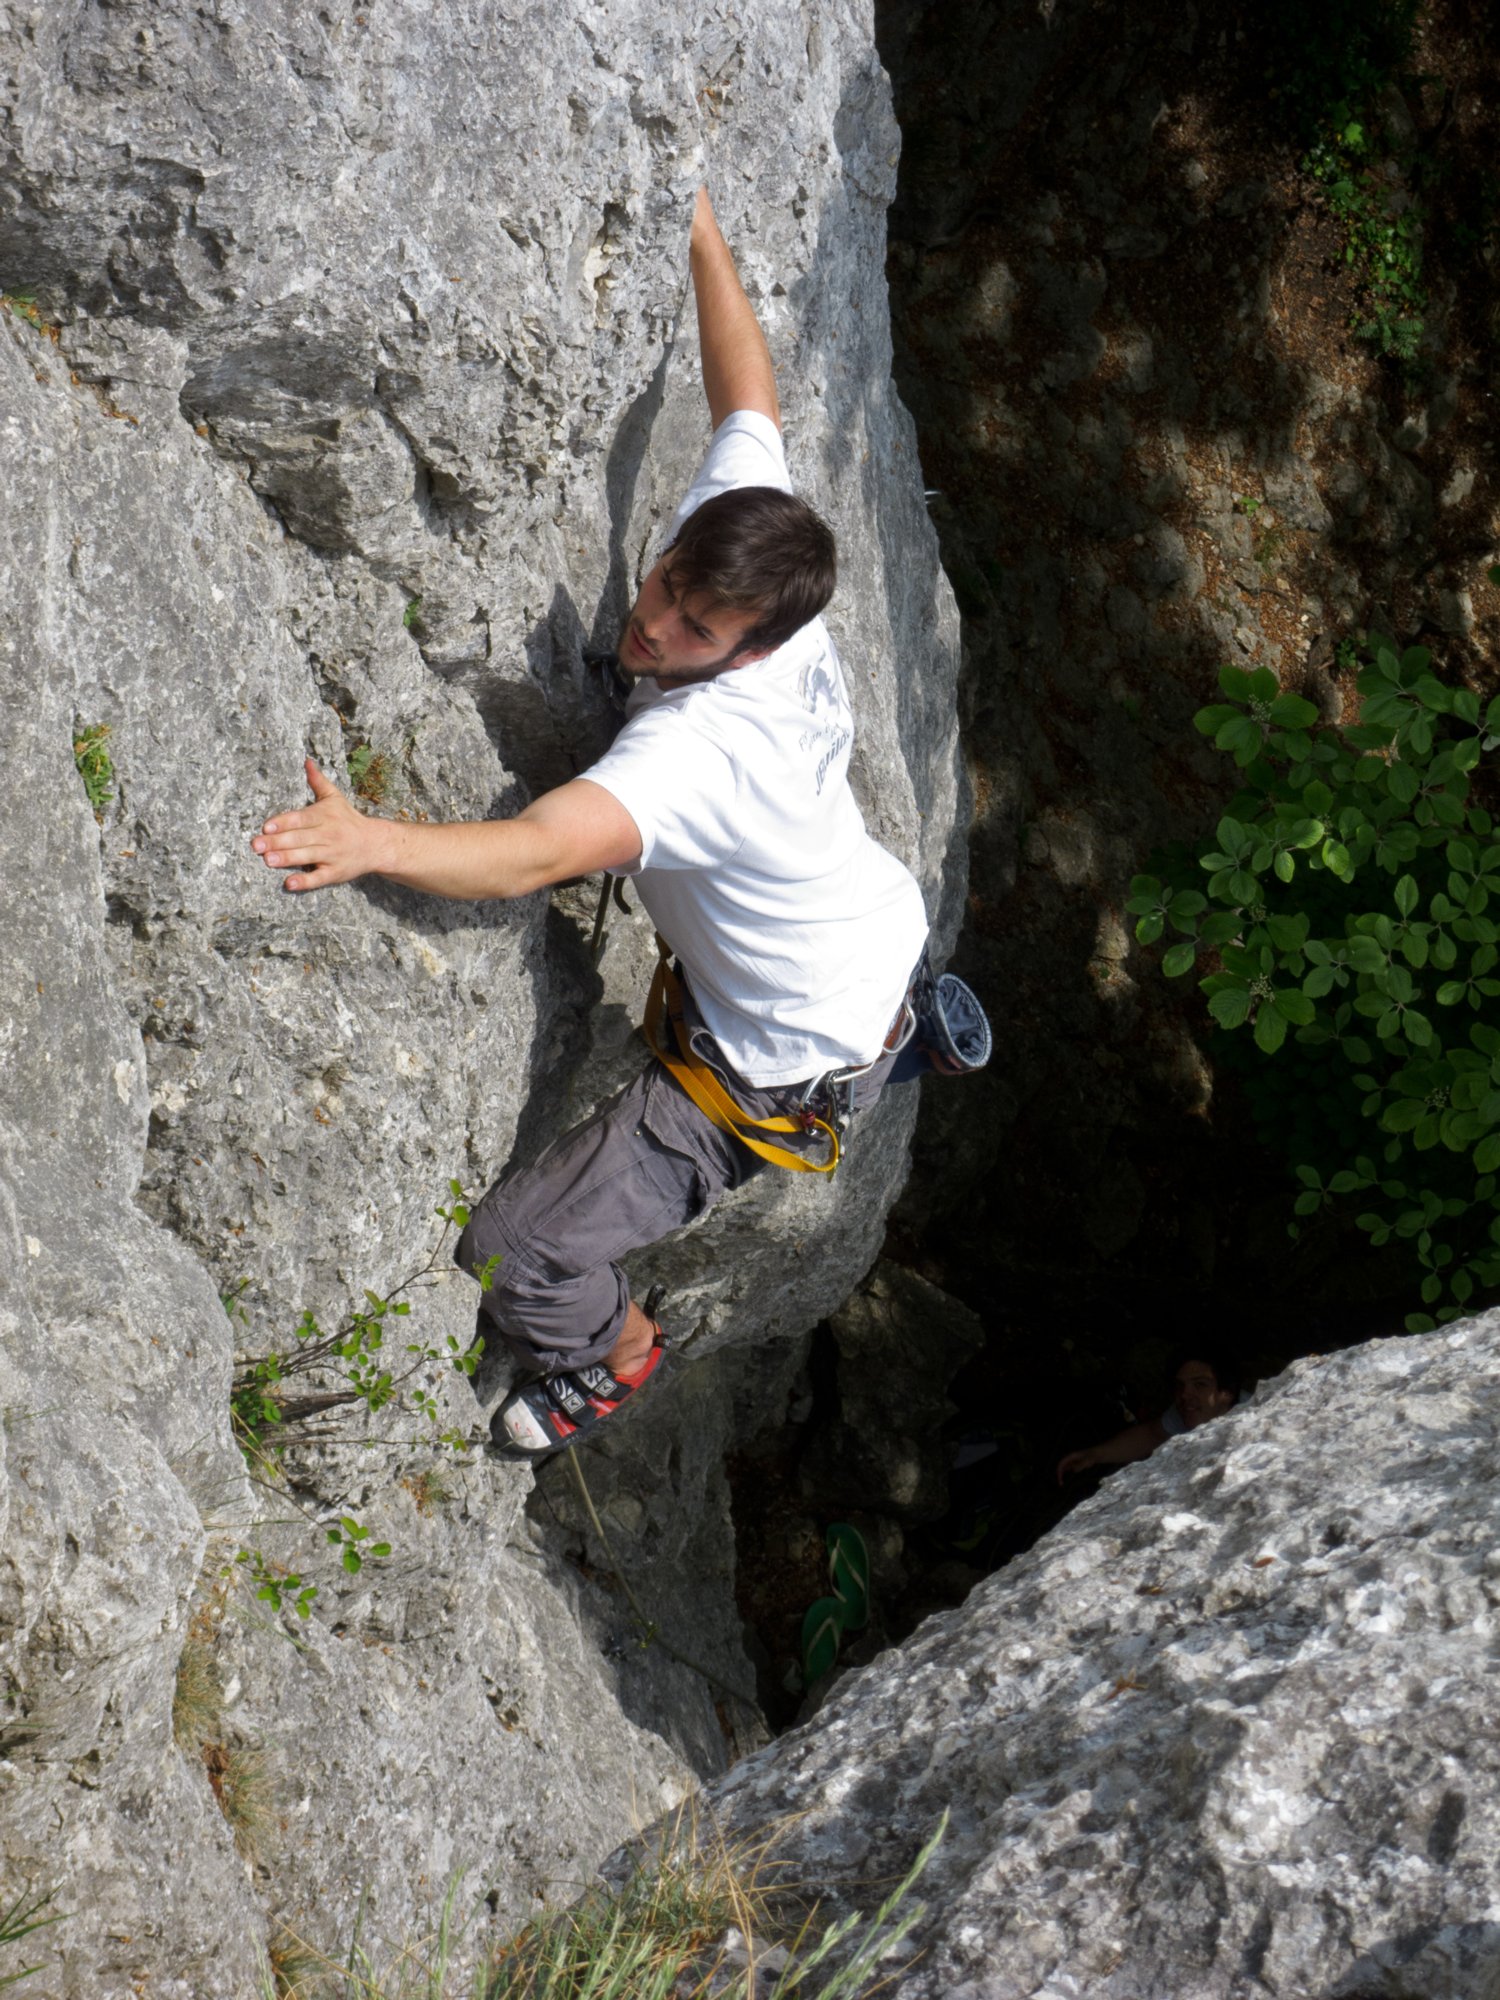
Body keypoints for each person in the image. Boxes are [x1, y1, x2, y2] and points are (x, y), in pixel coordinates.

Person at [252, 188, 987, 1461]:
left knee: (518, 1247)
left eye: (695, 632)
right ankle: (896, 1033)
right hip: (862, 942)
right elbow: (746, 393)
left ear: (759, 644)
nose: (652, 626)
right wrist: (704, 228)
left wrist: (374, 841)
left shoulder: (701, 751)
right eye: (663, 589)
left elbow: (536, 850)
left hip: (766, 1062)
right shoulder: (753, 544)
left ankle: (610, 1351)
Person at [1055, 1353, 1241, 1486]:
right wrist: (1095, 1455)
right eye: (1179, 1385)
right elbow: (1151, 1435)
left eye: (1200, 1385)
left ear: (1226, 1393)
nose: (1184, 1395)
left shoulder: (1254, 1422)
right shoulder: (1191, 1412)